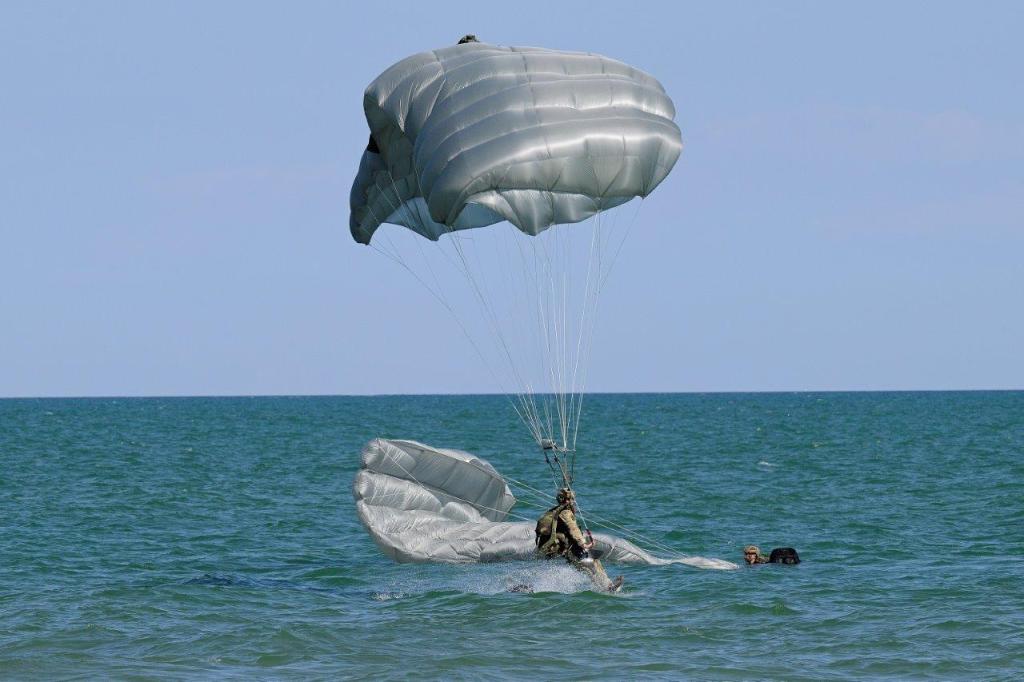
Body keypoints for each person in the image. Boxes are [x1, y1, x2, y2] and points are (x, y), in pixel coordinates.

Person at [536, 488, 623, 592]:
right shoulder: (565, 512)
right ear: (569, 500)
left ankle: (605, 587)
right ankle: (607, 587)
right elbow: (573, 529)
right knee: (593, 562)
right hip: (568, 549)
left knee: (586, 567)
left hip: (560, 549)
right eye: (572, 499)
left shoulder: (555, 511)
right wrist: (583, 544)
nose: (574, 502)